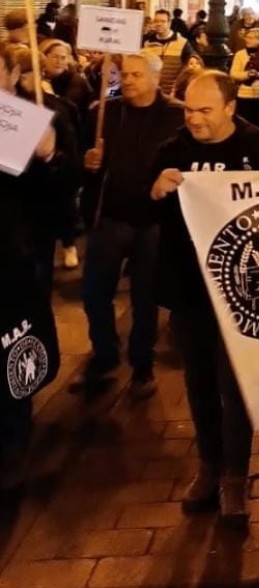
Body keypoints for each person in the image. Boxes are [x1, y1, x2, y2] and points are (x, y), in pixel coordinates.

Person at [151, 71, 259, 527]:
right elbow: (143, 206)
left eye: (205, 110)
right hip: (188, 292)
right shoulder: (172, 152)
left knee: (234, 387)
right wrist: (157, 190)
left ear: (230, 108)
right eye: (188, 109)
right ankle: (208, 466)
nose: (194, 119)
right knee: (200, 386)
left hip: (240, 295)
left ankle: (234, 477)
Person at [75, 53, 185, 397]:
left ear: (156, 78)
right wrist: (88, 163)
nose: (130, 80)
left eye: (138, 74)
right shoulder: (103, 113)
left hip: (153, 222)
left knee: (145, 298)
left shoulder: (176, 115)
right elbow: (80, 161)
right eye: (125, 74)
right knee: (95, 292)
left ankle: (142, 365)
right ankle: (105, 355)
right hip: (111, 218)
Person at [0, 46, 69, 496]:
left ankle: (12, 447)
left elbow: (54, 198)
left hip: (11, 262)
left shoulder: (26, 121)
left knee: (15, 352)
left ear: (12, 75)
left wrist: (48, 159)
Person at [144, 10, 196, 94]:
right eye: (156, 21)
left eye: (163, 21)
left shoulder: (182, 43)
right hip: (152, 93)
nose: (159, 24)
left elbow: (190, 64)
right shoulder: (147, 43)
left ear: (169, 23)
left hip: (173, 93)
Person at [230, 24, 259, 128]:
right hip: (244, 94)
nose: (247, 40)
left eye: (251, 38)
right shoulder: (240, 54)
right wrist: (247, 74)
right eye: (247, 37)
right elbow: (234, 73)